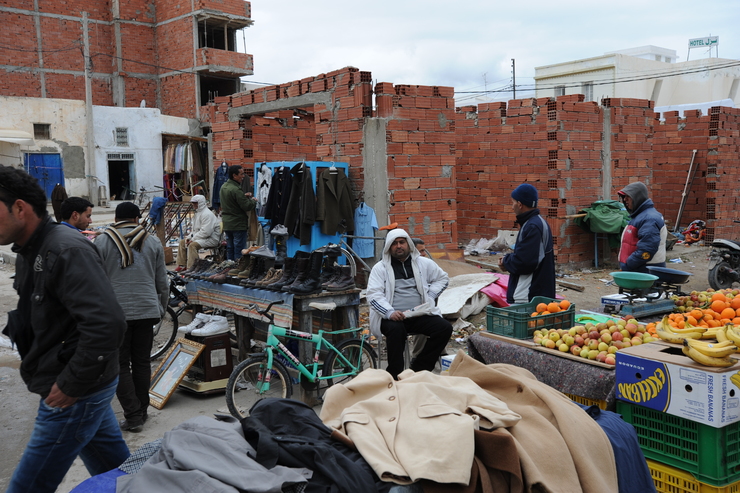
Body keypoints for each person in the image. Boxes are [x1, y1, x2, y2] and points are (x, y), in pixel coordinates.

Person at [0, 166, 129, 493]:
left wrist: (71, 384)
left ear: (19, 208)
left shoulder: (65, 248)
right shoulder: (32, 249)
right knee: (119, 473)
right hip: (76, 382)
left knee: (27, 486)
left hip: (76, 391)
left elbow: (108, 323)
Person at [95, 202, 168, 432]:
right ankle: (142, 411)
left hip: (116, 314)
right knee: (142, 362)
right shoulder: (152, 240)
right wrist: (161, 309)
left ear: (117, 218)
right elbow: (162, 284)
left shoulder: (102, 241)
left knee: (119, 364)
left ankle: (134, 415)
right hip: (146, 311)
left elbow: (96, 282)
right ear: (137, 219)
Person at [366, 228, 453, 379]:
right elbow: (373, 295)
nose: (399, 246)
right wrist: (390, 312)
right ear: (388, 247)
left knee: (444, 328)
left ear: (408, 244)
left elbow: (443, 278)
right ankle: (395, 375)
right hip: (389, 318)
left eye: (402, 242)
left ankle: (419, 368)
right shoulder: (380, 268)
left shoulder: (423, 263)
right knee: (396, 330)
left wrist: (430, 296)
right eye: (394, 244)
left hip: (417, 314)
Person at [498, 183, 556, 304]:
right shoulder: (538, 223)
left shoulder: (532, 227)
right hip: (537, 293)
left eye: (513, 202)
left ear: (520, 204)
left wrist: (505, 261)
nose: (512, 206)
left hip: (529, 295)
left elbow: (525, 262)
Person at [617, 181, 668, 273]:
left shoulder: (649, 219)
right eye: (624, 197)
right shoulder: (641, 216)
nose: (625, 200)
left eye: (628, 196)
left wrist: (629, 264)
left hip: (645, 272)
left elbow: (647, 249)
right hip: (640, 270)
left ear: (637, 197)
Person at [219, 165, 257, 261]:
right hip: (238, 224)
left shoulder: (224, 187)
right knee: (239, 250)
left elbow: (231, 200)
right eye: (241, 174)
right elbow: (246, 206)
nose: (243, 176)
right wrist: (253, 201)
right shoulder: (236, 189)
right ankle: (238, 268)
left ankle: (230, 268)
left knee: (230, 248)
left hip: (227, 223)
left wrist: (243, 196)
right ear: (234, 175)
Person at [175, 194, 221, 271]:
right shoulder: (198, 214)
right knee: (183, 242)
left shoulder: (207, 214)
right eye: (193, 203)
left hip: (211, 239)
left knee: (192, 245)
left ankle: (192, 267)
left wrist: (193, 239)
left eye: (195, 203)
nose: (194, 205)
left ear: (201, 203)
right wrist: (189, 237)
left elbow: (206, 232)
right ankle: (182, 265)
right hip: (202, 237)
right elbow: (195, 230)